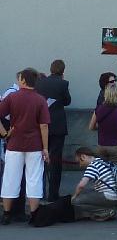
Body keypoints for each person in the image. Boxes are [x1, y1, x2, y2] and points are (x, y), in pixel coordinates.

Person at [0, 68, 50, 225]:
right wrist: (45, 148)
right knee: (34, 179)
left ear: (22, 80)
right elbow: (44, 126)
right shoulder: (40, 100)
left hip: (14, 144)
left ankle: (7, 213)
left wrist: (4, 133)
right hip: (34, 145)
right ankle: (34, 214)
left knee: (10, 178)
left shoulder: (12, 97)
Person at [35, 59, 71, 201]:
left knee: (40, 159)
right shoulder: (63, 83)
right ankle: (53, 194)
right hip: (57, 125)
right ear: (63, 70)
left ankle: (40, 192)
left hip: (41, 124)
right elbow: (67, 101)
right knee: (55, 161)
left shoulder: (39, 83)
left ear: (50, 69)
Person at [71, 147, 117, 221]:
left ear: (83, 157)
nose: (80, 165)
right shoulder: (102, 162)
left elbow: (81, 185)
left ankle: (104, 212)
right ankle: (108, 208)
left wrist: (74, 196)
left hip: (109, 196)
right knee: (86, 192)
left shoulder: (92, 166)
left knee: (75, 201)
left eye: (79, 162)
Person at [90, 85, 117, 165]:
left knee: (102, 170)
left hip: (101, 145)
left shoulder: (98, 109)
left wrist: (101, 127)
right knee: (115, 170)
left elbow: (91, 127)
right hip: (116, 145)